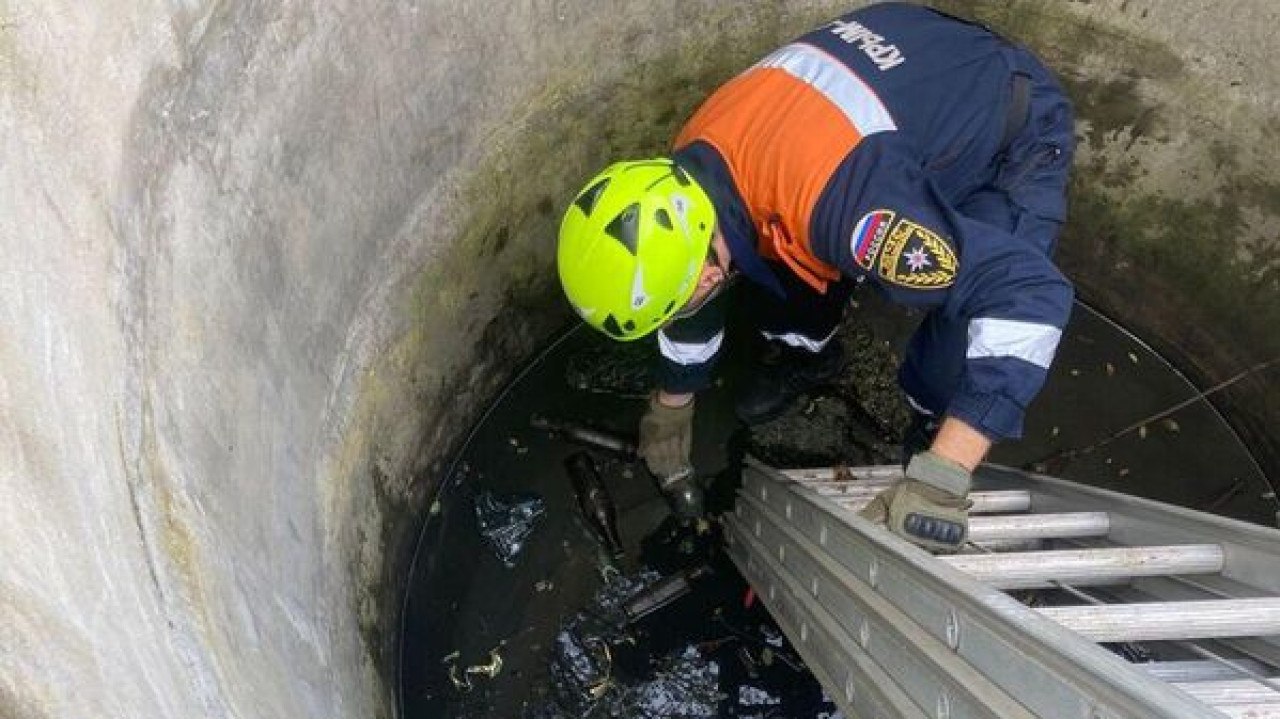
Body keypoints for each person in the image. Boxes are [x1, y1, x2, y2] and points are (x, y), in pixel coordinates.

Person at [555, 3, 1075, 551]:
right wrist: (672, 402)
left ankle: (928, 436)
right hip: (910, 69)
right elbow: (695, 283)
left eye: (681, 301)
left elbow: (1027, 293)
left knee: (956, 351)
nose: (691, 303)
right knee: (782, 276)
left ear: (707, 272)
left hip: (1007, 128)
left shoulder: (854, 218)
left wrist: (942, 474)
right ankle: (812, 357)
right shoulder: (690, 168)